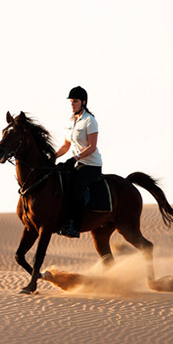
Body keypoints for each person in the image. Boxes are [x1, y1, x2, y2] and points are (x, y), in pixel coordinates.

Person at [54, 86, 103, 238]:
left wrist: (75, 158)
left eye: (75, 101)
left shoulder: (90, 121)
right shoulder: (70, 122)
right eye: (71, 101)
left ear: (83, 102)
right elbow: (66, 145)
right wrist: (53, 157)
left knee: (77, 188)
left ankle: (75, 227)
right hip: (76, 163)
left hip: (91, 165)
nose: (72, 104)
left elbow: (92, 147)